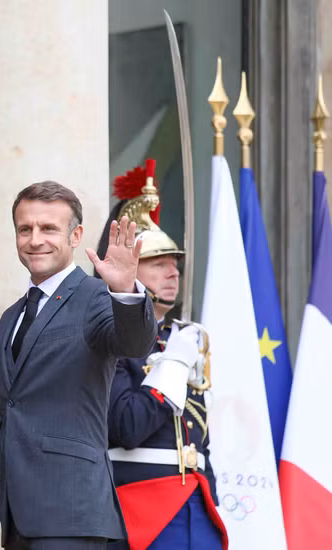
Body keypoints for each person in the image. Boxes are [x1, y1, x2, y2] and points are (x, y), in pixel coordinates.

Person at [0, 181, 158, 550]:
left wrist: (126, 292)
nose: (35, 239)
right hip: (19, 520)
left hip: (74, 513)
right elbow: (6, 421)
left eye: (49, 228)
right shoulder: (11, 318)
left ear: (75, 235)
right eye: (25, 229)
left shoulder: (97, 297)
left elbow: (134, 343)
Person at [99, 160, 228, 550]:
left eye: (175, 263)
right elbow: (126, 426)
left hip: (198, 503)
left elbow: (199, 437)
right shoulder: (110, 337)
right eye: (158, 263)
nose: (174, 272)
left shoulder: (182, 337)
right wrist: (171, 364)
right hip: (140, 507)